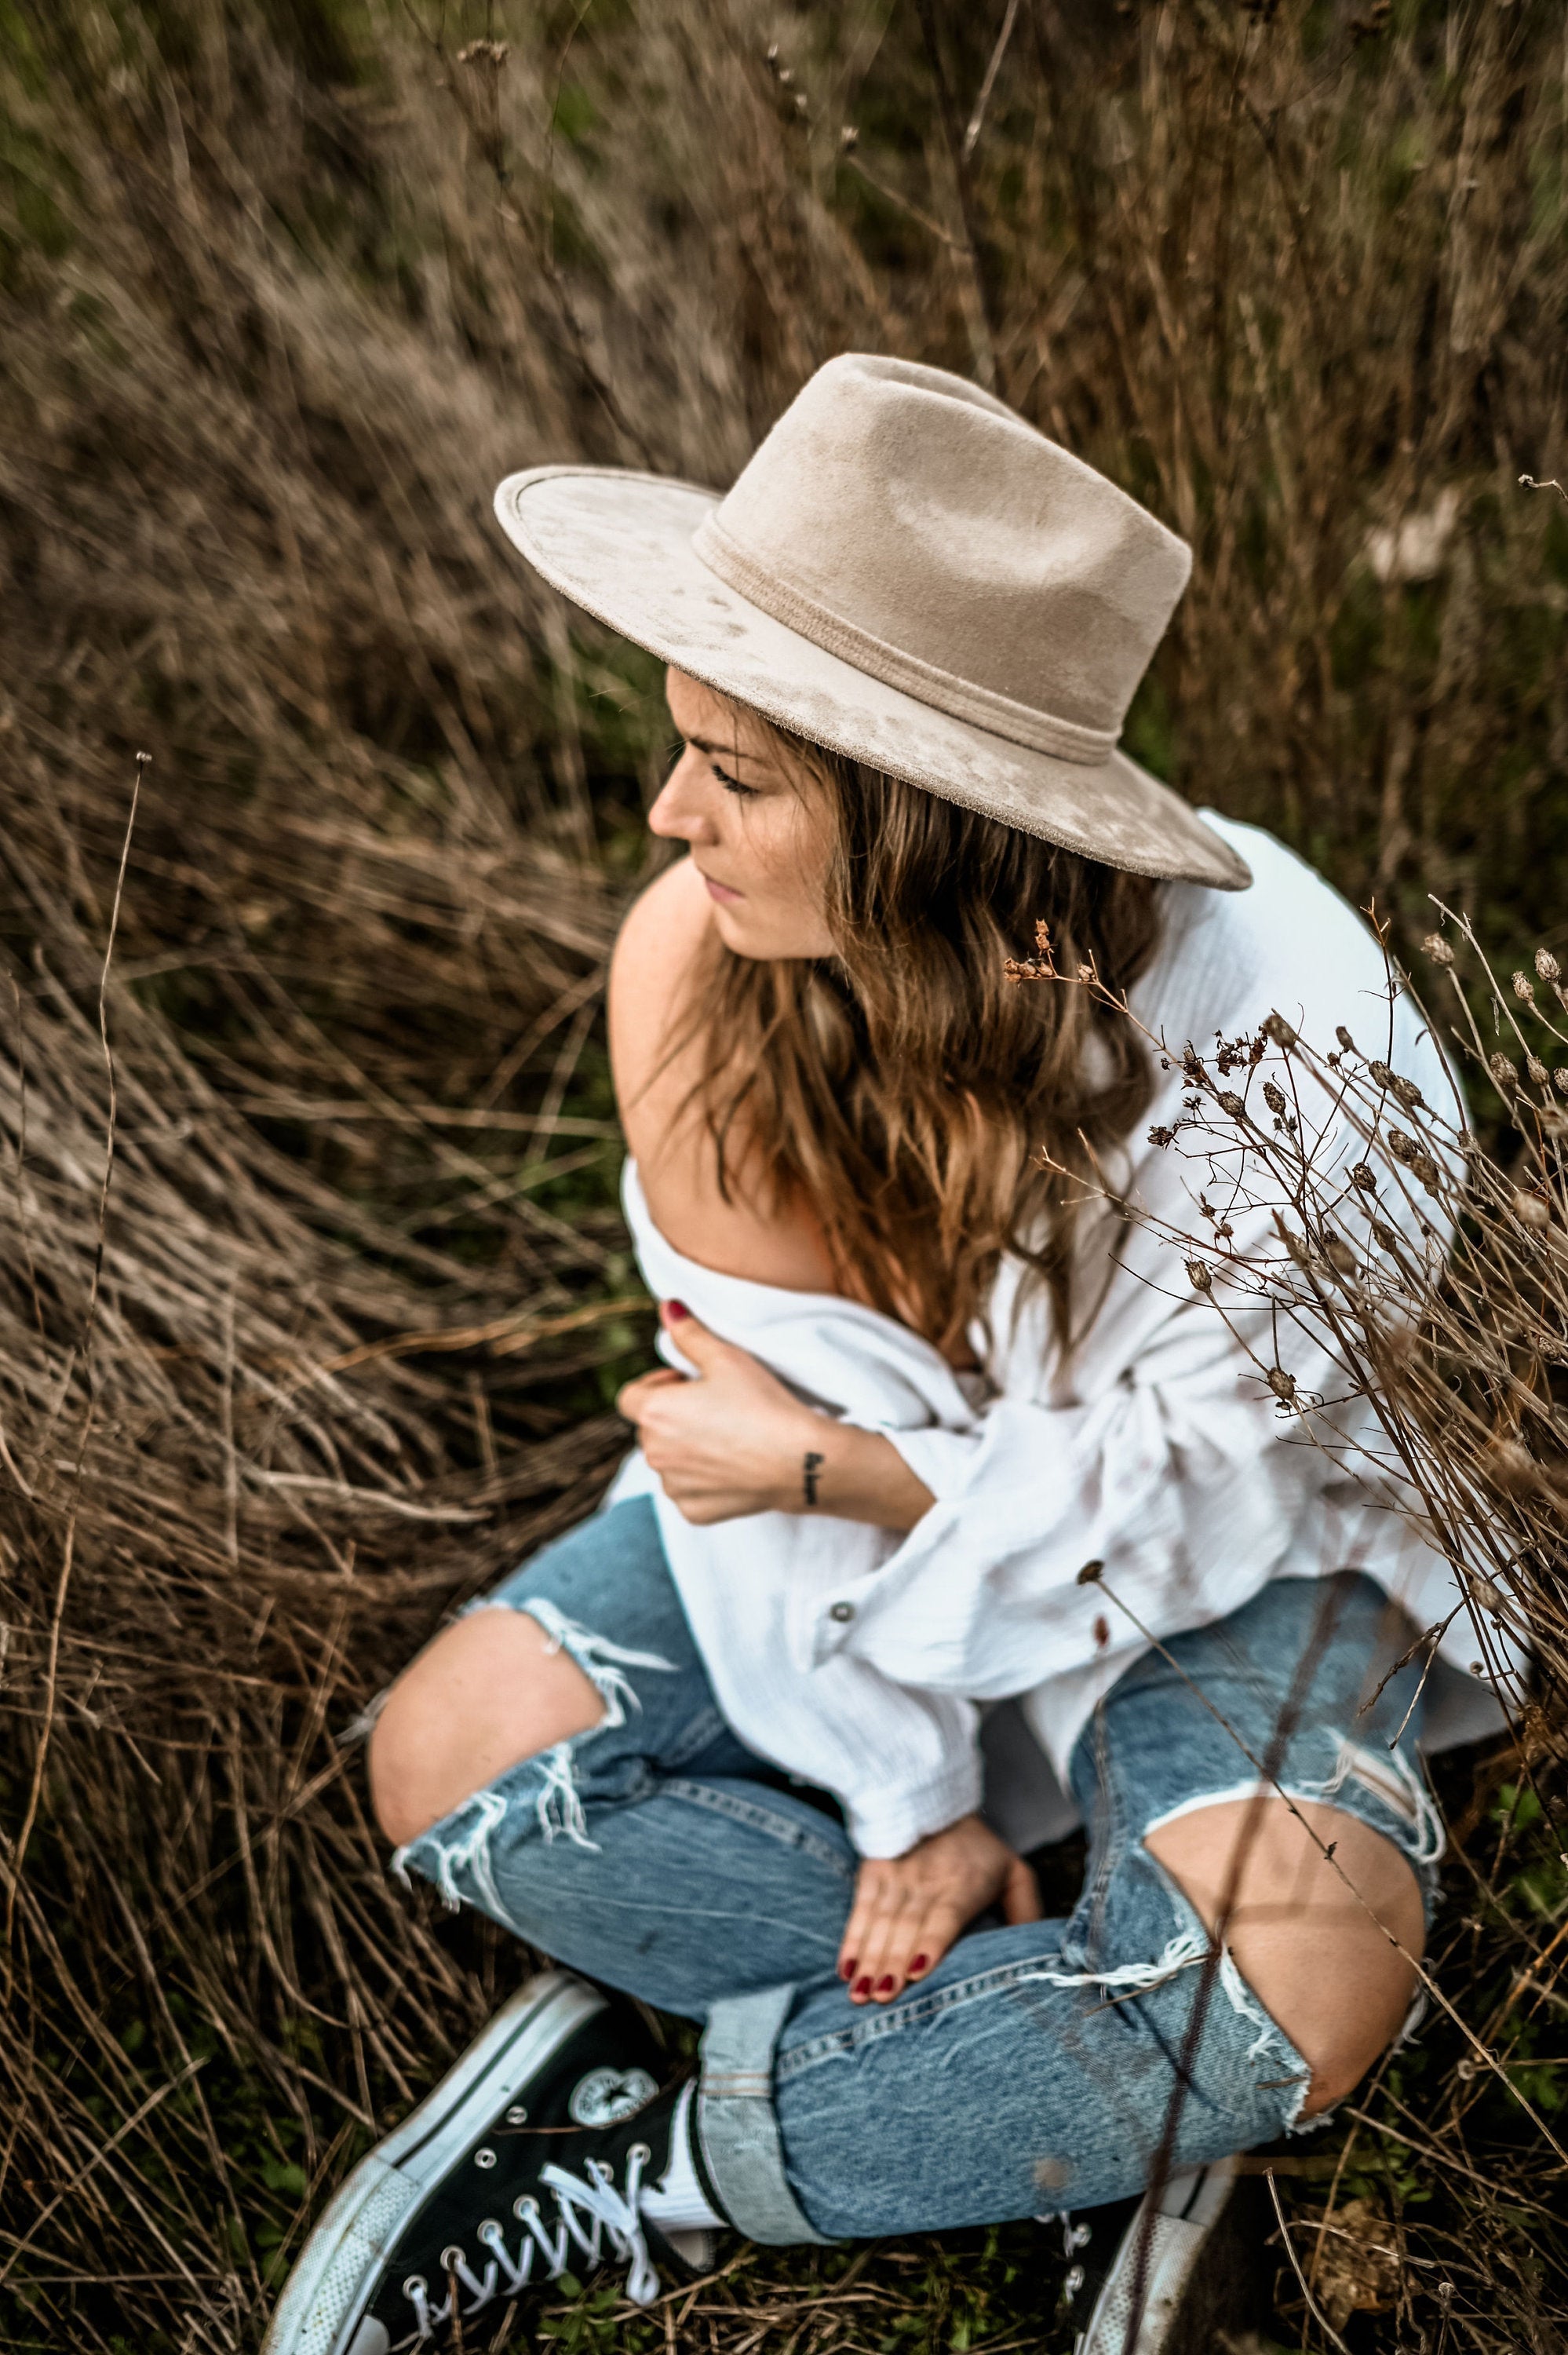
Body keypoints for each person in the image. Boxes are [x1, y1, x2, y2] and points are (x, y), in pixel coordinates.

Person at [264, 356, 1497, 2355]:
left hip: (1231, 1573)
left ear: (928, 830)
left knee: (1298, 1972)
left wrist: (849, 1480)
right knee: (463, 1772)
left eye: (738, 776)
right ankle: (1068, 2075)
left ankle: (667, 2149)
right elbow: (748, 1420)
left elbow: (1187, 1513)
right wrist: (908, 1786)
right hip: (880, 1531)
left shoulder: (1298, 1068)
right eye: (685, 753)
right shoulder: (706, 960)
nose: (671, 820)